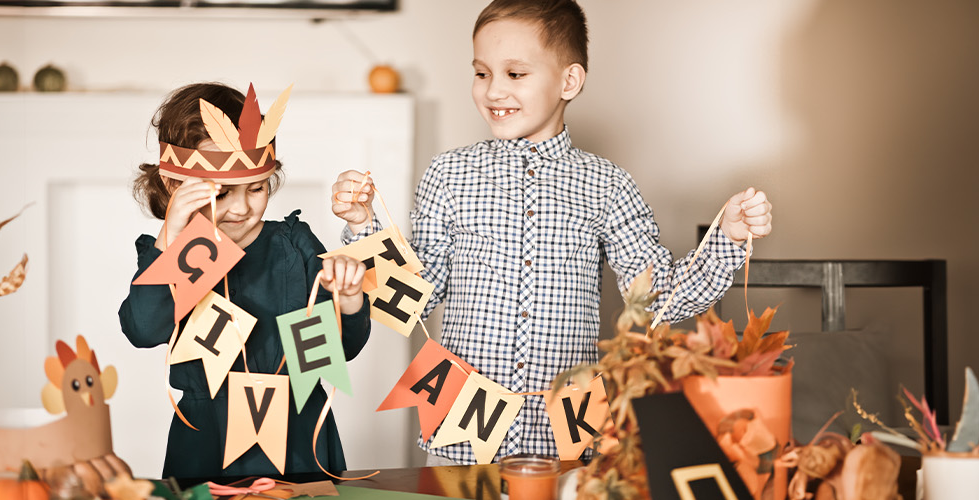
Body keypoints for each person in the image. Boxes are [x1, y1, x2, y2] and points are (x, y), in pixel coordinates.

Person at [330, 0, 773, 465]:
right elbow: (420, 292)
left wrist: (728, 237)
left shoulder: (608, 185)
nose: (493, 90)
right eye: (481, 73)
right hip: (459, 432)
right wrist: (364, 225)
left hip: (568, 437)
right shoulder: (448, 174)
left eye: (515, 74)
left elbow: (657, 298)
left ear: (569, 81)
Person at [121, 82, 371, 478]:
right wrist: (170, 238)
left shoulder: (295, 246)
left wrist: (351, 300)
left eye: (255, 189)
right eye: (221, 194)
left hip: (298, 441)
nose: (241, 207)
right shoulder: (173, 254)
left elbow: (338, 351)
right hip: (208, 443)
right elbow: (144, 329)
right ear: (175, 187)